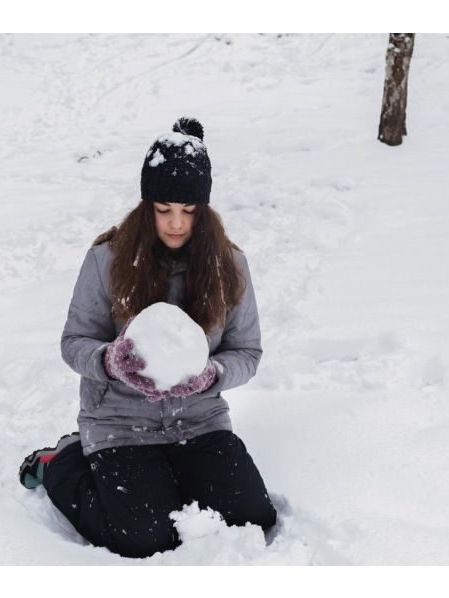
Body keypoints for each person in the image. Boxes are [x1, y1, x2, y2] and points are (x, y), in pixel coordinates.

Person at [18, 117, 277, 559]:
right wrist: (109, 361)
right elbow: (74, 342)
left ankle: (172, 478)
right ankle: (60, 462)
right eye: (164, 210)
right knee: (143, 539)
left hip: (199, 421)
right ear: (146, 205)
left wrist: (213, 375)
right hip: (120, 423)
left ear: (205, 209)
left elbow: (247, 352)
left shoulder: (228, 265)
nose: (176, 223)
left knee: (254, 519)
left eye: (189, 211)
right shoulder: (107, 259)